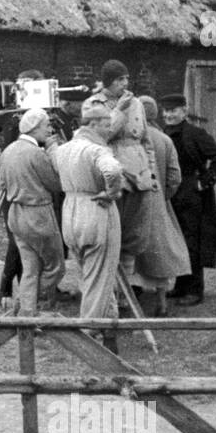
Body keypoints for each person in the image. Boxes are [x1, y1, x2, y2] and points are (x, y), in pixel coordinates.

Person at [52, 99, 124, 351]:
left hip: (70, 212)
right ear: (92, 124)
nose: (108, 130)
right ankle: (88, 337)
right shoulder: (96, 150)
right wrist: (111, 193)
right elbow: (113, 171)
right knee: (99, 277)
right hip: (96, 209)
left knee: (90, 277)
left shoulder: (63, 149)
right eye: (106, 125)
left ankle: (109, 333)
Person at [85, 61, 157, 295]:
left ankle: (125, 294)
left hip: (139, 176)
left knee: (134, 237)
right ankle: (109, 294)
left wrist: (152, 174)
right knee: (111, 236)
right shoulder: (93, 104)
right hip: (114, 176)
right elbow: (100, 136)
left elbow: (146, 141)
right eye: (120, 80)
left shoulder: (137, 103)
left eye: (127, 79)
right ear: (108, 82)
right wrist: (120, 111)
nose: (125, 84)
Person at [0, 69, 44, 305]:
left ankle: (35, 288)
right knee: (16, 236)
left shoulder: (45, 118)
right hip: (13, 184)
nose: (21, 92)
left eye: (28, 87)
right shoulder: (11, 116)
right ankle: (6, 291)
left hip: (38, 184)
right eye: (19, 86)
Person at [160, 94, 216, 305]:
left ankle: (194, 290)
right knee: (176, 241)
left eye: (173, 111)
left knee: (193, 241)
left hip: (191, 194)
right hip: (171, 194)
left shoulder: (195, 134)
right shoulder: (163, 134)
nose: (169, 115)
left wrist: (204, 182)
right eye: (166, 111)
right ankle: (180, 286)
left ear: (184, 111)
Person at [0, 109, 64, 314]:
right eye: (46, 126)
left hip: (15, 214)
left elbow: (1, 184)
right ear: (35, 128)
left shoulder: (8, 151)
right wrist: (53, 151)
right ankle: (35, 306)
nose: (50, 130)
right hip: (38, 215)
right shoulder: (36, 153)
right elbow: (56, 184)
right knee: (55, 267)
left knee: (30, 270)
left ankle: (26, 314)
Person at [134, 97, 192, 317]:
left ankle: (129, 296)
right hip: (157, 202)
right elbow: (175, 176)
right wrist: (164, 197)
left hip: (132, 203)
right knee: (159, 251)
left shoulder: (129, 138)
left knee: (131, 250)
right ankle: (160, 298)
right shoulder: (164, 139)